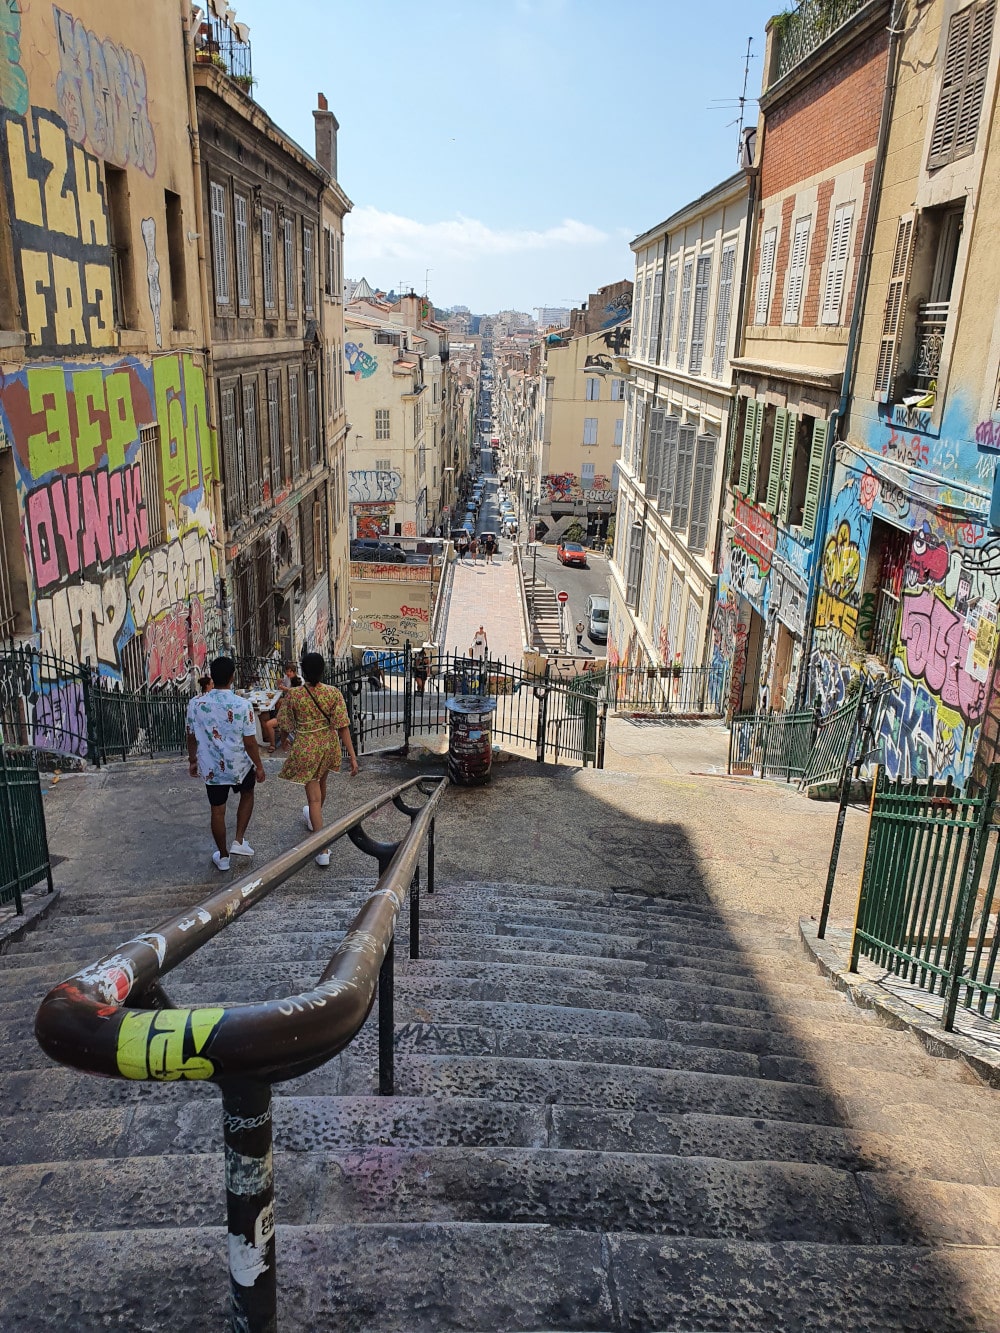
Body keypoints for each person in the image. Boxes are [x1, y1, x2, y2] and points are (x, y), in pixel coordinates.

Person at [277, 652, 359, 866]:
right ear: (323, 671)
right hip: (327, 745)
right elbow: (343, 726)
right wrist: (351, 755)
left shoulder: (294, 695)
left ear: (303, 671)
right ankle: (316, 821)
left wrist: (285, 740)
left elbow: (284, 722)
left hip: (305, 747)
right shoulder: (333, 693)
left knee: (313, 799)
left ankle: (322, 849)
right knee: (322, 783)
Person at [186, 655, 265, 872]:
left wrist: (193, 760)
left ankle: (222, 857)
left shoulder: (196, 704)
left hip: (211, 768)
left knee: (217, 810)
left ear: (211, 676)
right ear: (232, 677)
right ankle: (239, 840)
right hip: (240, 764)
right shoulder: (243, 705)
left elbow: (191, 736)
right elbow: (250, 741)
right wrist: (258, 765)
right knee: (247, 794)